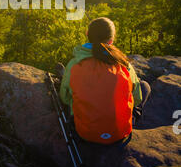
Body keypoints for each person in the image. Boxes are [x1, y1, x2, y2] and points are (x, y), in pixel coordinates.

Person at [60, 17, 151, 146]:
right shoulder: (122, 64)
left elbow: (64, 97)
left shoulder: (75, 64)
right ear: (111, 40)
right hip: (120, 134)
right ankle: (134, 119)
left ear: (87, 34)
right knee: (144, 86)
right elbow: (137, 98)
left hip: (86, 133)